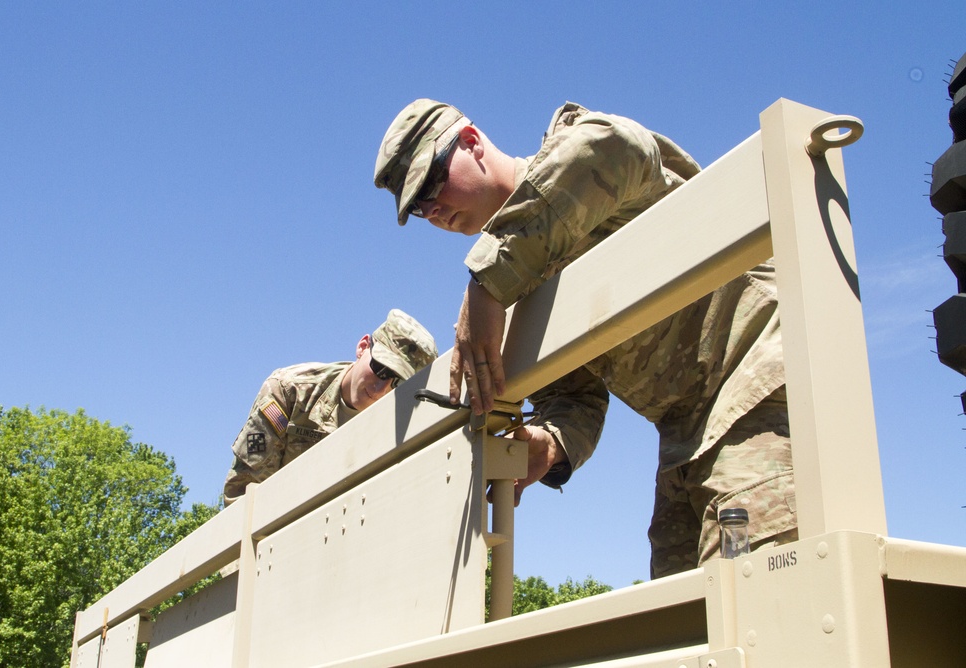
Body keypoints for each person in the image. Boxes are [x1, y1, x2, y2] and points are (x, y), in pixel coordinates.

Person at [374, 100, 795, 578]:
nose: (433, 210)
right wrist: (548, 443)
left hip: (757, 388)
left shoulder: (580, 162)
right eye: (418, 208)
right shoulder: (520, 288)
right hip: (685, 438)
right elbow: (575, 396)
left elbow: (621, 147)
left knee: (754, 603)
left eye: (431, 183)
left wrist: (485, 282)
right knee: (681, 620)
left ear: (471, 143)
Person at [222, 309, 438, 505]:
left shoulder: (403, 424)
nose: (382, 387)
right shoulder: (291, 391)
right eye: (380, 369)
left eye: (397, 383)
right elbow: (244, 493)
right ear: (363, 347)